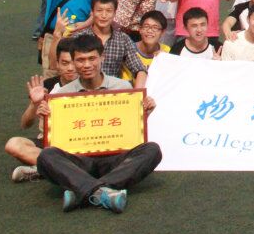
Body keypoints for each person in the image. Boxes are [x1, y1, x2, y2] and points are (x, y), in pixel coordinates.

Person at [35, 34, 161, 214]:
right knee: (46, 156)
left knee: (152, 150)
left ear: (102, 57)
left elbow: (130, 129)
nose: (87, 65)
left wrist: (145, 113)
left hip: (115, 158)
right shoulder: (61, 95)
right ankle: (104, 192)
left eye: (92, 58)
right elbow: (58, 138)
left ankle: (83, 190)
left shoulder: (123, 88)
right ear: (73, 62)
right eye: (80, 60)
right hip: (80, 160)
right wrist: (45, 116)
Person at [5, 38, 78, 182]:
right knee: (13, 144)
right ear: (57, 64)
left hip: (78, 141)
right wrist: (34, 104)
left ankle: (43, 169)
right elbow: (25, 124)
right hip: (49, 142)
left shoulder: (88, 85)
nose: (70, 68)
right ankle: (57, 168)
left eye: (73, 62)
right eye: (65, 63)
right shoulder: (47, 86)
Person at [69, 0, 148, 88]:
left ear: (115, 13)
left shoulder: (123, 39)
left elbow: (140, 69)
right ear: (92, 12)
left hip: (112, 93)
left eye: (108, 11)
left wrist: (138, 94)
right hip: (82, 91)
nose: (104, 15)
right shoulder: (79, 37)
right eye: (99, 10)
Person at [119, 11, 169, 81]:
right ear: (140, 29)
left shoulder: (167, 51)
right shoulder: (129, 51)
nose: (150, 31)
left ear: (163, 32)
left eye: (155, 28)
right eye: (146, 26)